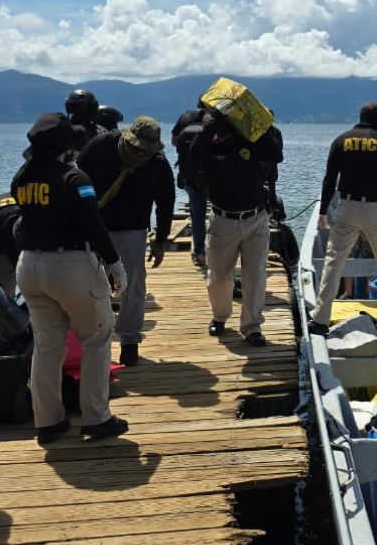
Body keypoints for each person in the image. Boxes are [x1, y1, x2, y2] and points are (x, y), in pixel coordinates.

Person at [14, 113, 130, 443]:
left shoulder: (22, 178)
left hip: (30, 266)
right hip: (70, 265)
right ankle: (96, 416)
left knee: (48, 345)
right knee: (96, 337)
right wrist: (115, 265)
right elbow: (93, 223)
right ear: (68, 146)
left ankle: (48, 421)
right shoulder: (75, 179)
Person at [307, 102, 377, 335]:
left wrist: (324, 209)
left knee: (333, 264)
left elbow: (329, 179)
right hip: (375, 210)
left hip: (346, 207)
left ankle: (320, 320)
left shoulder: (341, 140)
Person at [76, 115, 175, 365]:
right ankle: (90, 337)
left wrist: (160, 241)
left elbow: (166, 203)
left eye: (148, 151)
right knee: (87, 283)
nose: (142, 154)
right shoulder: (100, 146)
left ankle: (129, 339)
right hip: (93, 226)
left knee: (134, 285)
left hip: (133, 231)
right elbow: (74, 179)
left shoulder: (158, 163)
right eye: (138, 149)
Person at [190, 108, 283, 346]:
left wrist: (259, 125)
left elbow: (275, 154)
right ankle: (220, 316)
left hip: (256, 218)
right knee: (219, 276)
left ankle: (252, 325)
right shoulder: (215, 141)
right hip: (223, 219)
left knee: (255, 275)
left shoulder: (255, 140)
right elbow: (193, 155)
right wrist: (212, 123)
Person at [172, 101, 209, 267]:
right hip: (213, 177)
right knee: (220, 215)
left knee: (197, 216)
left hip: (189, 176)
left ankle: (199, 251)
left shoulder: (184, 117)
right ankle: (217, 251)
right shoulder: (213, 120)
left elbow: (174, 141)